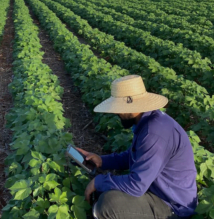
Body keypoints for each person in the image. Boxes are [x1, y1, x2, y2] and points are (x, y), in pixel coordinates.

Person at [77, 75, 198, 219]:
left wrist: (99, 181)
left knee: (108, 206)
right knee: (105, 193)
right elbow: (134, 155)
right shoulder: (149, 121)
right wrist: (102, 161)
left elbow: (136, 185)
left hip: (172, 206)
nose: (116, 112)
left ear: (130, 107)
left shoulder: (154, 133)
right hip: (156, 190)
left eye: (118, 108)